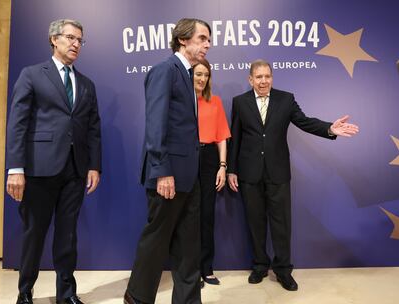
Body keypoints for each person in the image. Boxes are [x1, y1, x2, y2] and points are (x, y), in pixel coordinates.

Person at [227, 59, 359, 291]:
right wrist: (231, 169)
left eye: (267, 76)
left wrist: (329, 128)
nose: (263, 81)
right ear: (250, 79)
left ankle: (283, 270)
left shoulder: (285, 99)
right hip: (249, 174)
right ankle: (259, 266)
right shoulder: (239, 102)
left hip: (278, 173)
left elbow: (304, 122)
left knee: (281, 224)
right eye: (259, 77)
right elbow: (235, 138)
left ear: (272, 78)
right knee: (255, 223)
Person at [5, 19, 101, 304]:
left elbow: (93, 127)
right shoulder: (32, 74)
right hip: (38, 169)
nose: (76, 44)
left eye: (80, 40)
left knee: (67, 235)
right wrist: (16, 168)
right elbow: (18, 123)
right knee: (34, 234)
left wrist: (94, 165)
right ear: (53, 40)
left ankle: (66, 294)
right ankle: (25, 293)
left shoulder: (86, 83)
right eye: (70, 37)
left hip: (74, 170)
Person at [124, 18, 211, 304]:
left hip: (190, 175)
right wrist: (162, 171)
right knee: (156, 242)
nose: (207, 45)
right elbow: (156, 125)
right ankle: (137, 299)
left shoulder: (187, 75)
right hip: (168, 175)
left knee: (189, 246)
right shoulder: (165, 70)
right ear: (183, 39)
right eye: (202, 38)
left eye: (209, 40)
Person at [194, 59, 231, 286]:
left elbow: (222, 137)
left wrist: (223, 166)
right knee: (187, 218)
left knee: (206, 216)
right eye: (198, 74)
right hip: (186, 159)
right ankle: (188, 271)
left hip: (209, 160)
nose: (201, 78)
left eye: (205, 75)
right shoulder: (181, 101)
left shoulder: (214, 101)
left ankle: (206, 268)